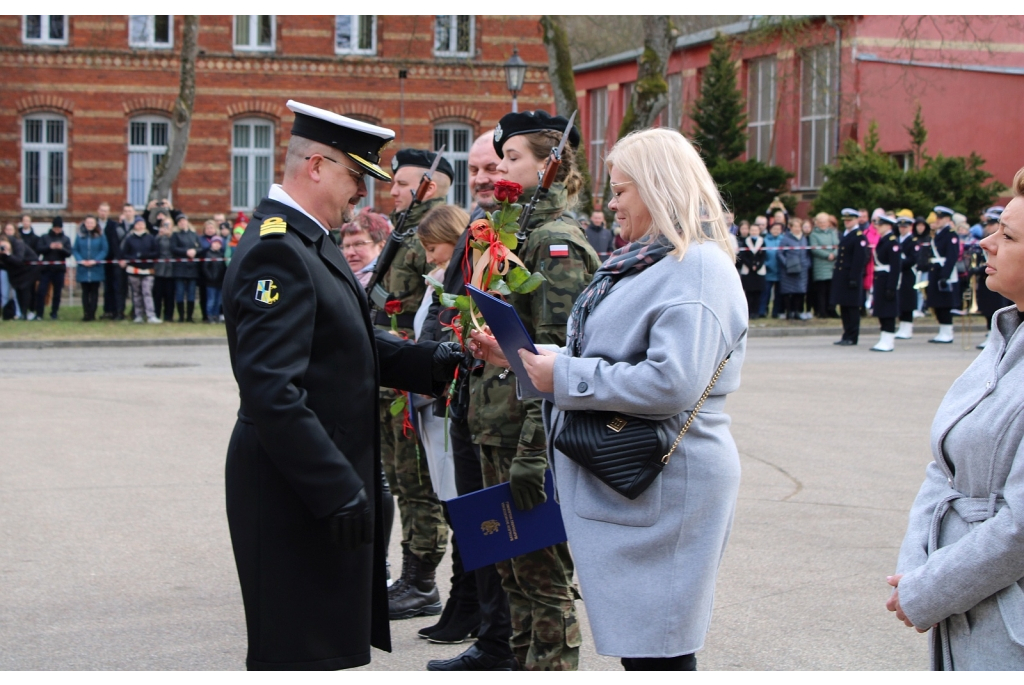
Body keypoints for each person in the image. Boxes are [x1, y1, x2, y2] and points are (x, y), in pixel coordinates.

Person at [475, 127, 747, 671]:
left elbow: (673, 382)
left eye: (621, 191)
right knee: (645, 647)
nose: (611, 204)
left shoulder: (695, 267)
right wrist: (526, 358)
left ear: (657, 187)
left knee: (660, 649)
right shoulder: (650, 259)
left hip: (663, 479)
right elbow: (610, 351)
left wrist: (565, 376)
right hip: (636, 476)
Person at [222, 100, 461, 671]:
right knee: (301, 654)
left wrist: (437, 362)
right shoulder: (278, 251)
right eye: (357, 176)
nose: (363, 194)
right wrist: (335, 488)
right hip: (296, 490)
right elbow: (272, 389)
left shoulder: (308, 240)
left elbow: (347, 342)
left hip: (316, 482)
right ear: (316, 167)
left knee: (325, 650)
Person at [440, 110, 600, 673]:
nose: (500, 171)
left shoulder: (556, 245)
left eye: (513, 159)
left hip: (526, 439)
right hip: (494, 428)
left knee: (544, 580)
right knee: (512, 576)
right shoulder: (510, 235)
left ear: (550, 165)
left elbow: (557, 361)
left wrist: (535, 451)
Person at [887, 166, 1024, 670]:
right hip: (965, 609)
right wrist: (916, 568)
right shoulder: (1005, 334)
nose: (986, 242)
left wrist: (930, 588)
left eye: (1006, 235)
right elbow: (945, 467)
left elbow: (1020, 527)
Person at [420, 130, 514, 668]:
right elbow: (446, 312)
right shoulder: (473, 233)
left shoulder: (520, 234)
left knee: (510, 536)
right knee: (482, 525)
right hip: (466, 399)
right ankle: (490, 632)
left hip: (503, 410)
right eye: (474, 168)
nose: (480, 177)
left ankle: (501, 638)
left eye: (493, 165)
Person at [378, 148, 454, 621]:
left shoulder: (434, 234)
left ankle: (421, 581)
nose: (392, 192)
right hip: (396, 372)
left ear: (430, 185)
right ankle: (412, 577)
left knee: (418, 482)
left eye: (401, 184)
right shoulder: (405, 232)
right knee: (404, 481)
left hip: (414, 374)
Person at [968, 212, 1012, 349]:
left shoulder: (1002, 241)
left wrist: (979, 270)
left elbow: (1001, 261)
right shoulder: (985, 240)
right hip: (985, 280)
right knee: (987, 309)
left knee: (996, 308)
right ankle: (990, 334)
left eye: (992, 224)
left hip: (997, 278)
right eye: (987, 224)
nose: (988, 227)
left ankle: (997, 337)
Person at [831, 208, 870, 346]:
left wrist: (854, 277)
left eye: (850, 220)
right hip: (843, 276)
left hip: (851, 276)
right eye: (846, 220)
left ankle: (852, 336)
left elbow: (859, 259)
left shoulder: (859, 236)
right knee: (844, 307)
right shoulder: (847, 235)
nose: (847, 222)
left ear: (856, 220)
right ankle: (846, 334)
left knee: (852, 308)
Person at [925, 206, 961, 344]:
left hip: (945, 272)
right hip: (935, 272)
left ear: (947, 219)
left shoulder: (951, 234)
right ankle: (942, 330)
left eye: (940, 218)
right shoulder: (938, 234)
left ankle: (947, 332)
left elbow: (952, 257)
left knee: (945, 304)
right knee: (937, 303)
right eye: (937, 218)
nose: (937, 220)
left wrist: (945, 275)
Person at [119, 216, 161, 324]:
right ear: (135, 225)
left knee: (147, 292)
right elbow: (124, 254)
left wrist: (144, 256)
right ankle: (138, 315)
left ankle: (151, 315)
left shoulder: (150, 238)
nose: (140, 226)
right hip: (134, 270)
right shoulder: (130, 239)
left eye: (142, 223)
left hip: (148, 270)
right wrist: (133, 258)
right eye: (138, 224)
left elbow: (156, 253)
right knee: (136, 293)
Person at [869, 215, 901, 351]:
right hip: (880, 279)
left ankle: (888, 341)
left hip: (887, 280)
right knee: (882, 310)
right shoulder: (884, 240)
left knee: (888, 312)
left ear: (888, 226)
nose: (878, 227)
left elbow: (895, 267)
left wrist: (891, 286)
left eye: (881, 225)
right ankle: (884, 337)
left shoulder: (892, 242)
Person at [340, 209, 390, 288]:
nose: (350, 253)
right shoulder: (338, 278)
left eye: (359, 244)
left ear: (381, 246)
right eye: (346, 246)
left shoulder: (388, 280)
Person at [73, 215, 109, 322]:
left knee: (94, 292)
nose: (90, 225)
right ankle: (86, 314)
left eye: (92, 223)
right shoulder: (80, 235)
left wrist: (95, 260)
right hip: (83, 268)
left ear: (95, 224)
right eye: (88, 223)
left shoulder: (101, 235)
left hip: (96, 268)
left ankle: (92, 313)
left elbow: (104, 250)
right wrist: (81, 260)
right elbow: (75, 250)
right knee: (85, 292)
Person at [35, 217, 72, 321]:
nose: (57, 230)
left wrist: (62, 248)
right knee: (41, 291)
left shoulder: (66, 239)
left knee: (57, 293)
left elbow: (69, 253)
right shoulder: (45, 237)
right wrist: (49, 246)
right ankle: (39, 313)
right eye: (55, 228)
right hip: (46, 269)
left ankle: (54, 313)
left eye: (59, 228)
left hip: (59, 270)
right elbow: (39, 249)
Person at [0, 227, 39, 320]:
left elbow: (18, 260)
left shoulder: (18, 244)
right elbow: (5, 265)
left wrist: (8, 254)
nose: (3, 248)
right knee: (17, 291)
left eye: (4, 246)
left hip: (29, 269)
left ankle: (25, 313)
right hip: (17, 271)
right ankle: (19, 313)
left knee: (25, 291)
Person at [778, 217, 811, 320]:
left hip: (802, 269)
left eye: (799, 226)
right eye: (795, 226)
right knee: (788, 292)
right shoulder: (785, 238)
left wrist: (807, 263)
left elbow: (807, 252)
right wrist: (786, 263)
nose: (797, 228)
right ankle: (789, 312)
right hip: (788, 270)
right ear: (790, 227)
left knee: (800, 291)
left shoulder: (804, 238)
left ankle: (797, 311)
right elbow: (779, 253)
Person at [895, 214, 921, 339]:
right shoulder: (896, 240)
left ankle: (908, 327)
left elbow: (912, 259)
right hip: (899, 274)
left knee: (908, 300)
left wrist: (898, 263)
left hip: (908, 273)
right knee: (900, 300)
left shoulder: (913, 241)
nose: (902, 229)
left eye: (905, 226)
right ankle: (902, 325)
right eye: (901, 226)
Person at [171, 215, 201, 323]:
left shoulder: (193, 235)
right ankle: (181, 316)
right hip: (179, 268)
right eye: (180, 221)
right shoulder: (175, 235)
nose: (182, 223)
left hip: (192, 268)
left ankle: (189, 316)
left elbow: (200, 247)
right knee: (180, 292)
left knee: (191, 293)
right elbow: (173, 248)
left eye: (184, 221)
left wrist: (195, 251)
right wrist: (186, 252)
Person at [809, 212, 838, 319]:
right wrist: (827, 255)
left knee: (832, 289)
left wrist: (834, 254)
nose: (822, 224)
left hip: (832, 264)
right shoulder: (813, 234)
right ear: (816, 223)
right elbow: (814, 248)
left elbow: (837, 245)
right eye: (820, 222)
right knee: (821, 290)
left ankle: (832, 309)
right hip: (820, 265)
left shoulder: (833, 232)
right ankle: (822, 311)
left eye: (824, 222)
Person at [737, 220, 766, 318]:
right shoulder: (746, 241)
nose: (754, 232)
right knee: (748, 293)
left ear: (759, 231)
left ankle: (756, 312)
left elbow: (763, 256)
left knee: (757, 293)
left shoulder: (762, 241)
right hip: (748, 270)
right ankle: (749, 313)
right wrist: (750, 265)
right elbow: (743, 256)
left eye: (756, 230)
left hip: (759, 270)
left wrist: (757, 266)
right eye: (752, 230)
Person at [153, 219, 176, 322]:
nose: (166, 227)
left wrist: (171, 236)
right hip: (160, 268)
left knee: (170, 294)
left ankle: (169, 316)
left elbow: (175, 248)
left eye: (168, 224)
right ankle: (157, 314)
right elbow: (154, 249)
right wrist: (159, 236)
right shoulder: (158, 237)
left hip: (171, 269)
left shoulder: (175, 236)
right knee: (158, 294)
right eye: (164, 225)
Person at [760, 221, 784, 319]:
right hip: (768, 271)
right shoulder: (765, 240)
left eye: (778, 229)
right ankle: (762, 311)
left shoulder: (783, 240)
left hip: (780, 271)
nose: (776, 231)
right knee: (765, 293)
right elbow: (762, 254)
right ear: (770, 230)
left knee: (778, 294)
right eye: (774, 229)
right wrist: (766, 264)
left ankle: (776, 312)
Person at [202, 235, 227, 323]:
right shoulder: (208, 254)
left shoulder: (221, 255)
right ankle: (209, 316)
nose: (216, 245)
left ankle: (216, 316)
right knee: (211, 300)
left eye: (218, 243)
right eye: (215, 243)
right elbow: (205, 268)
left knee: (218, 301)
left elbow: (223, 268)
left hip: (219, 282)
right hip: (210, 282)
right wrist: (210, 277)